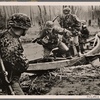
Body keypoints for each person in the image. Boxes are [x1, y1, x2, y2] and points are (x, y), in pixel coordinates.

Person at [0, 13, 31, 95]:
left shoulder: (5, 34)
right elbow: (16, 65)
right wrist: (25, 62)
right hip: (9, 78)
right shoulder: (11, 43)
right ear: (23, 27)